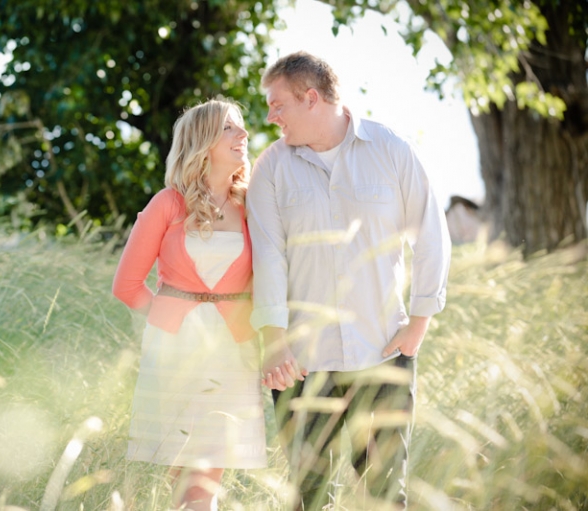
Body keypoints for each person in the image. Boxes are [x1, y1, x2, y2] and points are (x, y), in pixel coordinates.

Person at [246, 51, 451, 510]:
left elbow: (432, 237)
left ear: (311, 97)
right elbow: (269, 258)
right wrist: (275, 342)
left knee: (383, 497)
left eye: (278, 105)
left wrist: (418, 324)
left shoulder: (392, 150)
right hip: (301, 364)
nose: (271, 116)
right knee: (310, 497)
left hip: (381, 353)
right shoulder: (272, 168)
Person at [112, 99, 266, 510]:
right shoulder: (168, 203)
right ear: (203, 141)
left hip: (232, 351)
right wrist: (171, 319)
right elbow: (127, 285)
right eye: (230, 128)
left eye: (242, 127)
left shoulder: (253, 207)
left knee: (205, 482)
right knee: (185, 483)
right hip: (175, 352)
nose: (244, 135)